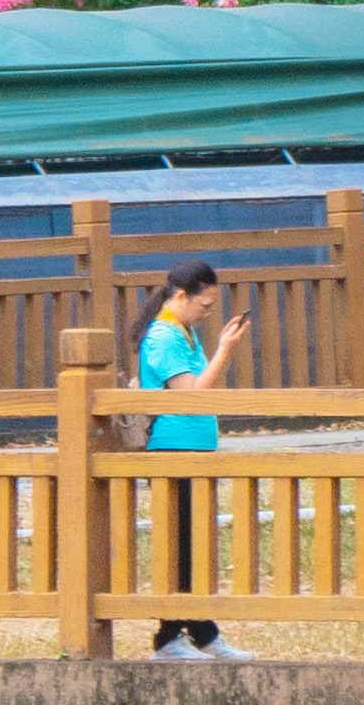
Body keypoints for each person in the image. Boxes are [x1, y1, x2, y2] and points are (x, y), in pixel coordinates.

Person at [124, 262, 245, 658]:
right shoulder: (162, 337)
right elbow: (189, 394)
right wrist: (225, 349)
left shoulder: (184, 332)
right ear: (181, 296)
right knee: (178, 545)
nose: (208, 312)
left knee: (193, 546)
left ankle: (202, 632)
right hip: (173, 450)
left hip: (194, 448)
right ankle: (169, 637)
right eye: (205, 305)